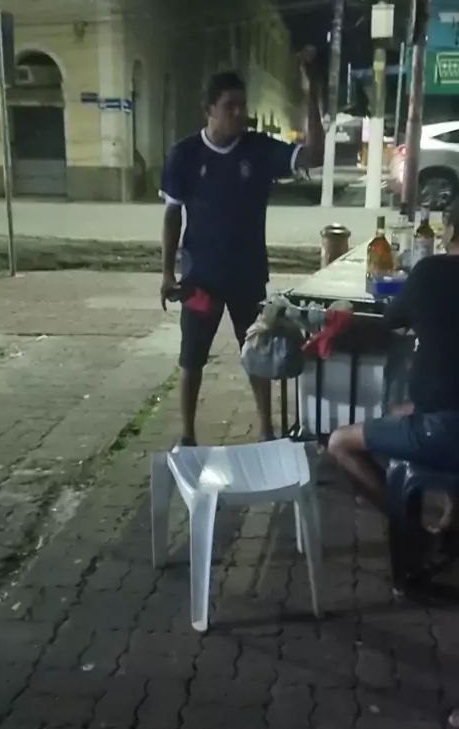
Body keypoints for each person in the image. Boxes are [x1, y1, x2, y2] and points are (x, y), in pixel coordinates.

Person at [159, 58, 324, 446]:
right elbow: (172, 214)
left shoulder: (258, 149)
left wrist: (312, 94)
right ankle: (187, 435)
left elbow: (313, 156)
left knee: (257, 353)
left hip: (247, 276)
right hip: (200, 279)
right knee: (192, 358)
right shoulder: (185, 154)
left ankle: (266, 430)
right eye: (229, 106)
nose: (238, 113)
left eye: (242, 105)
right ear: (209, 109)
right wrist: (167, 272)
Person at [328, 199, 459, 524]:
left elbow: (391, 321)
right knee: (404, 411)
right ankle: (450, 515)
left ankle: (406, 523)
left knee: (340, 442)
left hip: (439, 429)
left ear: (450, 230)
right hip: (437, 415)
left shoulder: (429, 272)